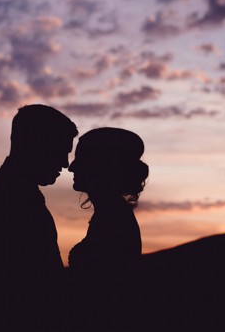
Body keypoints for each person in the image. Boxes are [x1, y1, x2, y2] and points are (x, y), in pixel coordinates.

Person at [0, 104, 78, 331]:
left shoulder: (6, 192)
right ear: (35, 145)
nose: (65, 163)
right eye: (60, 151)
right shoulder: (1, 198)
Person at [67, 127, 148, 331]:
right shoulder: (110, 216)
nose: (71, 167)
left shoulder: (113, 221)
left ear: (102, 166)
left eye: (81, 159)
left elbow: (104, 301)